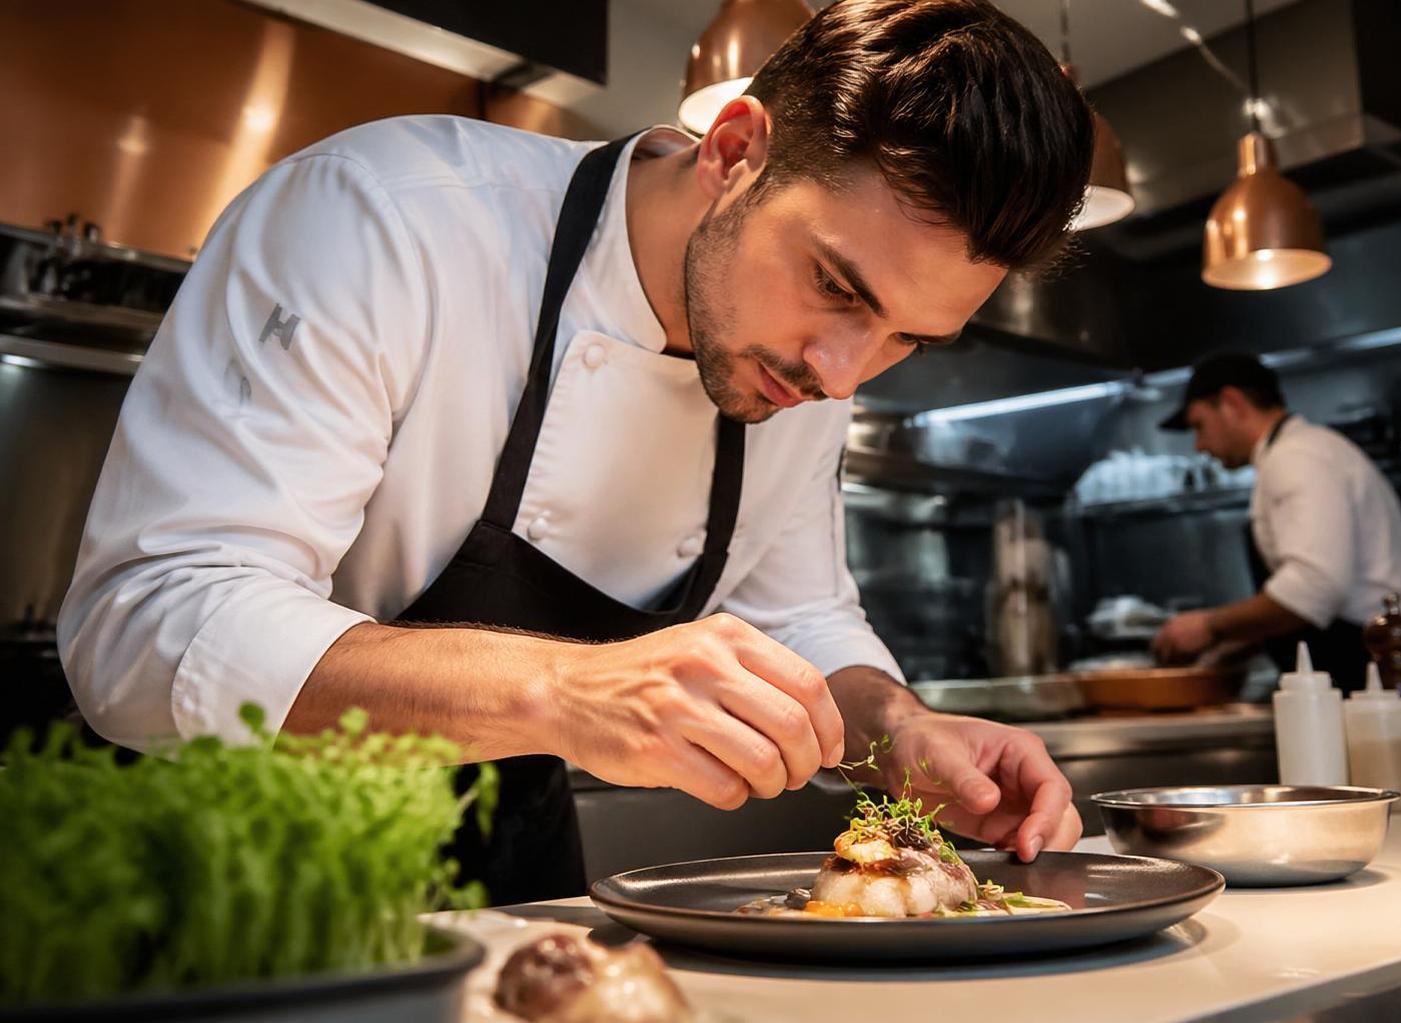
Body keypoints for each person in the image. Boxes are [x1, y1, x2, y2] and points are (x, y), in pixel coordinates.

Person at [58, 0, 1095, 903]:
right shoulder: (384, 218)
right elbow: (150, 620)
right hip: (229, 882)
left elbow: (800, 617)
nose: (842, 374)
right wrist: (560, 695)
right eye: (836, 286)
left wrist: (897, 734)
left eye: (909, 339)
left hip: (513, 888)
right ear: (734, 151)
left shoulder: (811, 369)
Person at [1151, 352, 1401, 687]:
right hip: (1359, 667)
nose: (1199, 445)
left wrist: (1209, 626)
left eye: (1199, 425)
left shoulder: (1296, 457)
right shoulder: (1296, 453)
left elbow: (1314, 587)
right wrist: (1240, 643)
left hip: (1372, 675)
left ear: (1232, 403)